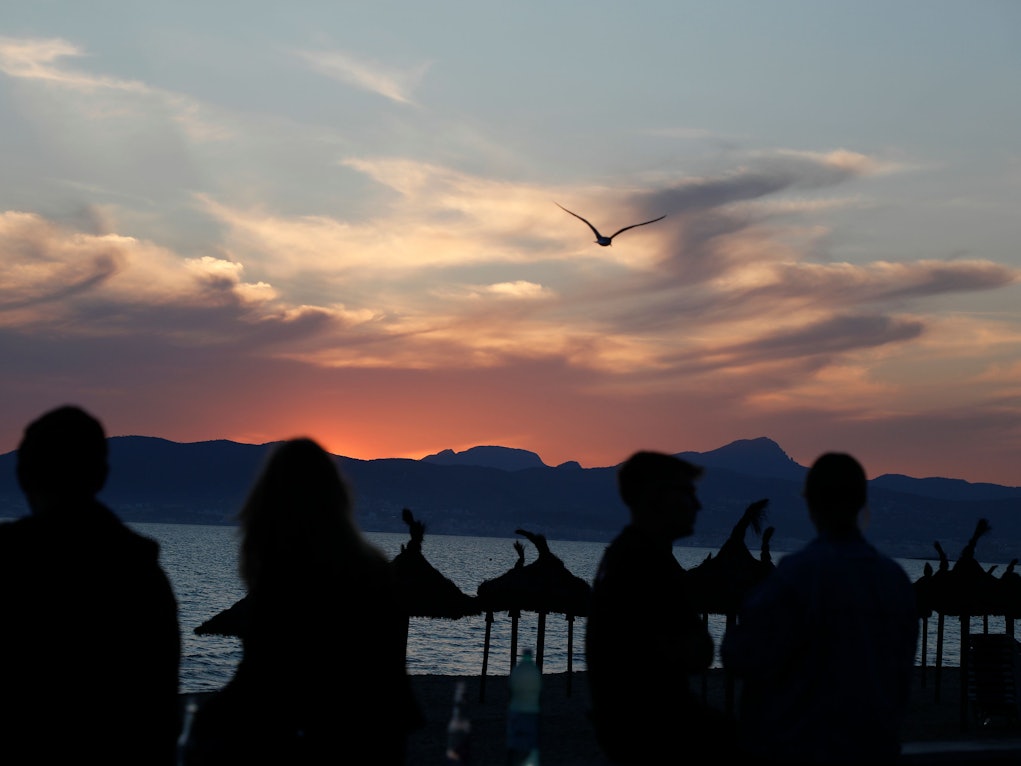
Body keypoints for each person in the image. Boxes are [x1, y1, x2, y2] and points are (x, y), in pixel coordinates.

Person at [185, 437, 423, 766]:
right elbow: (391, 693)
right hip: (377, 744)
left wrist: (199, 719)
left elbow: (258, 682)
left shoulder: (287, 581)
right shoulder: (375, 572)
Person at [0, 405, 181, 765]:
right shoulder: (144, 577)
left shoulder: (9, 564)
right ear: (100, 476)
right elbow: (160, 711)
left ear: (24, 475)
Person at [721, 452, 919, 766]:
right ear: (861, 504)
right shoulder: (895, 581)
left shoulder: (797, 575)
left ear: (811, 504)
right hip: (875, 751)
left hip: (800, 750)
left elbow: (740, 655)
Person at [585, 450, 735, 765]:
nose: (698, 505)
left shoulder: (626, 554)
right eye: (688, 493)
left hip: (630, 728)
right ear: (658, 497)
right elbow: (695, 653)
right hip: (653, 734)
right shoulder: (645, 564)